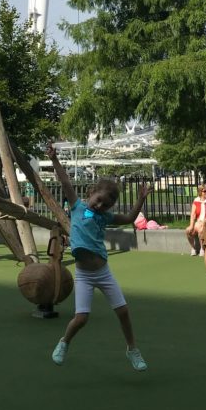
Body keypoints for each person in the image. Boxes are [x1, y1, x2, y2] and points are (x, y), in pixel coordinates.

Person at [46, 142, 150, 371]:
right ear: (90, 193)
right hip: (83, 274)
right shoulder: (77, 206)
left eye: (106, 204)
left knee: (123, 311)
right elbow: (64, 181)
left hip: (102, 272)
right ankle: (64, 342)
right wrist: (54, 159)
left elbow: (130, 218)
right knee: (81, 318)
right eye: (98, 199)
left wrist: (141, 198)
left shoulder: (105, 217)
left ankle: (132, 349)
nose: (100, 205)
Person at [185, 183, 206, 255]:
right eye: (204, 191)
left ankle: (202, 249)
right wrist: (191, 225)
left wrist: (205, 221)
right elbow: (193, 214)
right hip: (199, 222)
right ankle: (193, 248)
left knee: (201, 230)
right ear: (200, 192)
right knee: (188, 230)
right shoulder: (196, 201)